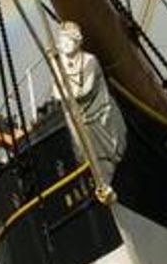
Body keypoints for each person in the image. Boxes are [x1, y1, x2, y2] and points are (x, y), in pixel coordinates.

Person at [54, 21, 127, 184]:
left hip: (99, 117)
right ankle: (101, 182)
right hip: (80, 122)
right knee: (89, 158)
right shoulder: (60, 67)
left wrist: (67, 92)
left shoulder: (89, 61)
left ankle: (107, 180)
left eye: (68, 41)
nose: (64, 45)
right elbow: (57, 94)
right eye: (62, 41)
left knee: (105, 158)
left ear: (77, 41)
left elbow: (84, 91)